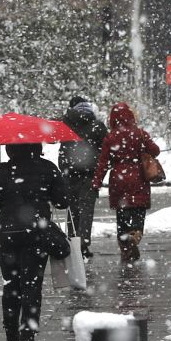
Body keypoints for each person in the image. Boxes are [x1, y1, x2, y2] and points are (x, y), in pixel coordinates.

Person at [0, 143, 70, 341]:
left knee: (11, 284)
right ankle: (28, 337)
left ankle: (11, 332)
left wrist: (3, 185)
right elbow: (63, 201)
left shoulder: (3, 171)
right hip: (36, 234)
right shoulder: (47, 168)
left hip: (8, 234)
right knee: (32, 286)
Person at [91, 102, 160, 263]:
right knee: (138, 212)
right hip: (139, 179)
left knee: (122, 216)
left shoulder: (110, 137)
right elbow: (155, 151)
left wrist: (96, 183)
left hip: (118, 180)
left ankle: (125, 248)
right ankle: (135, 234)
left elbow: (103, 164)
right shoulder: (140, 134)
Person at [58, 96, 107, 259]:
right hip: (89, 174)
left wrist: (64, 167)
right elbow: (106, 149)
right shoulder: (98, 127)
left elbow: (63, 150)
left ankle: (73, 244)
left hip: (69, 174)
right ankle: (84, 244)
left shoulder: (66, 125)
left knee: (72, 211)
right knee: (87, 210)